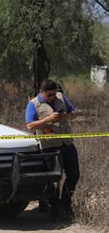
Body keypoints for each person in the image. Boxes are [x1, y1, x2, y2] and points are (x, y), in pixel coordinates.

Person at [25, 79, 80, 222]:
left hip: (66, 143)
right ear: (41, 92)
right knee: (54, 179)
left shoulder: (61, 98)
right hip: (49, 146)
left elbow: (74, 113)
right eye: (49, 95)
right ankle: (55, 210)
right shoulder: (33, 104)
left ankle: (65, 203)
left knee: (74, 175)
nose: (52, 97)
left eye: (54, 94)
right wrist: (49, 119)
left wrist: (67, 116)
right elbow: (30, 126)